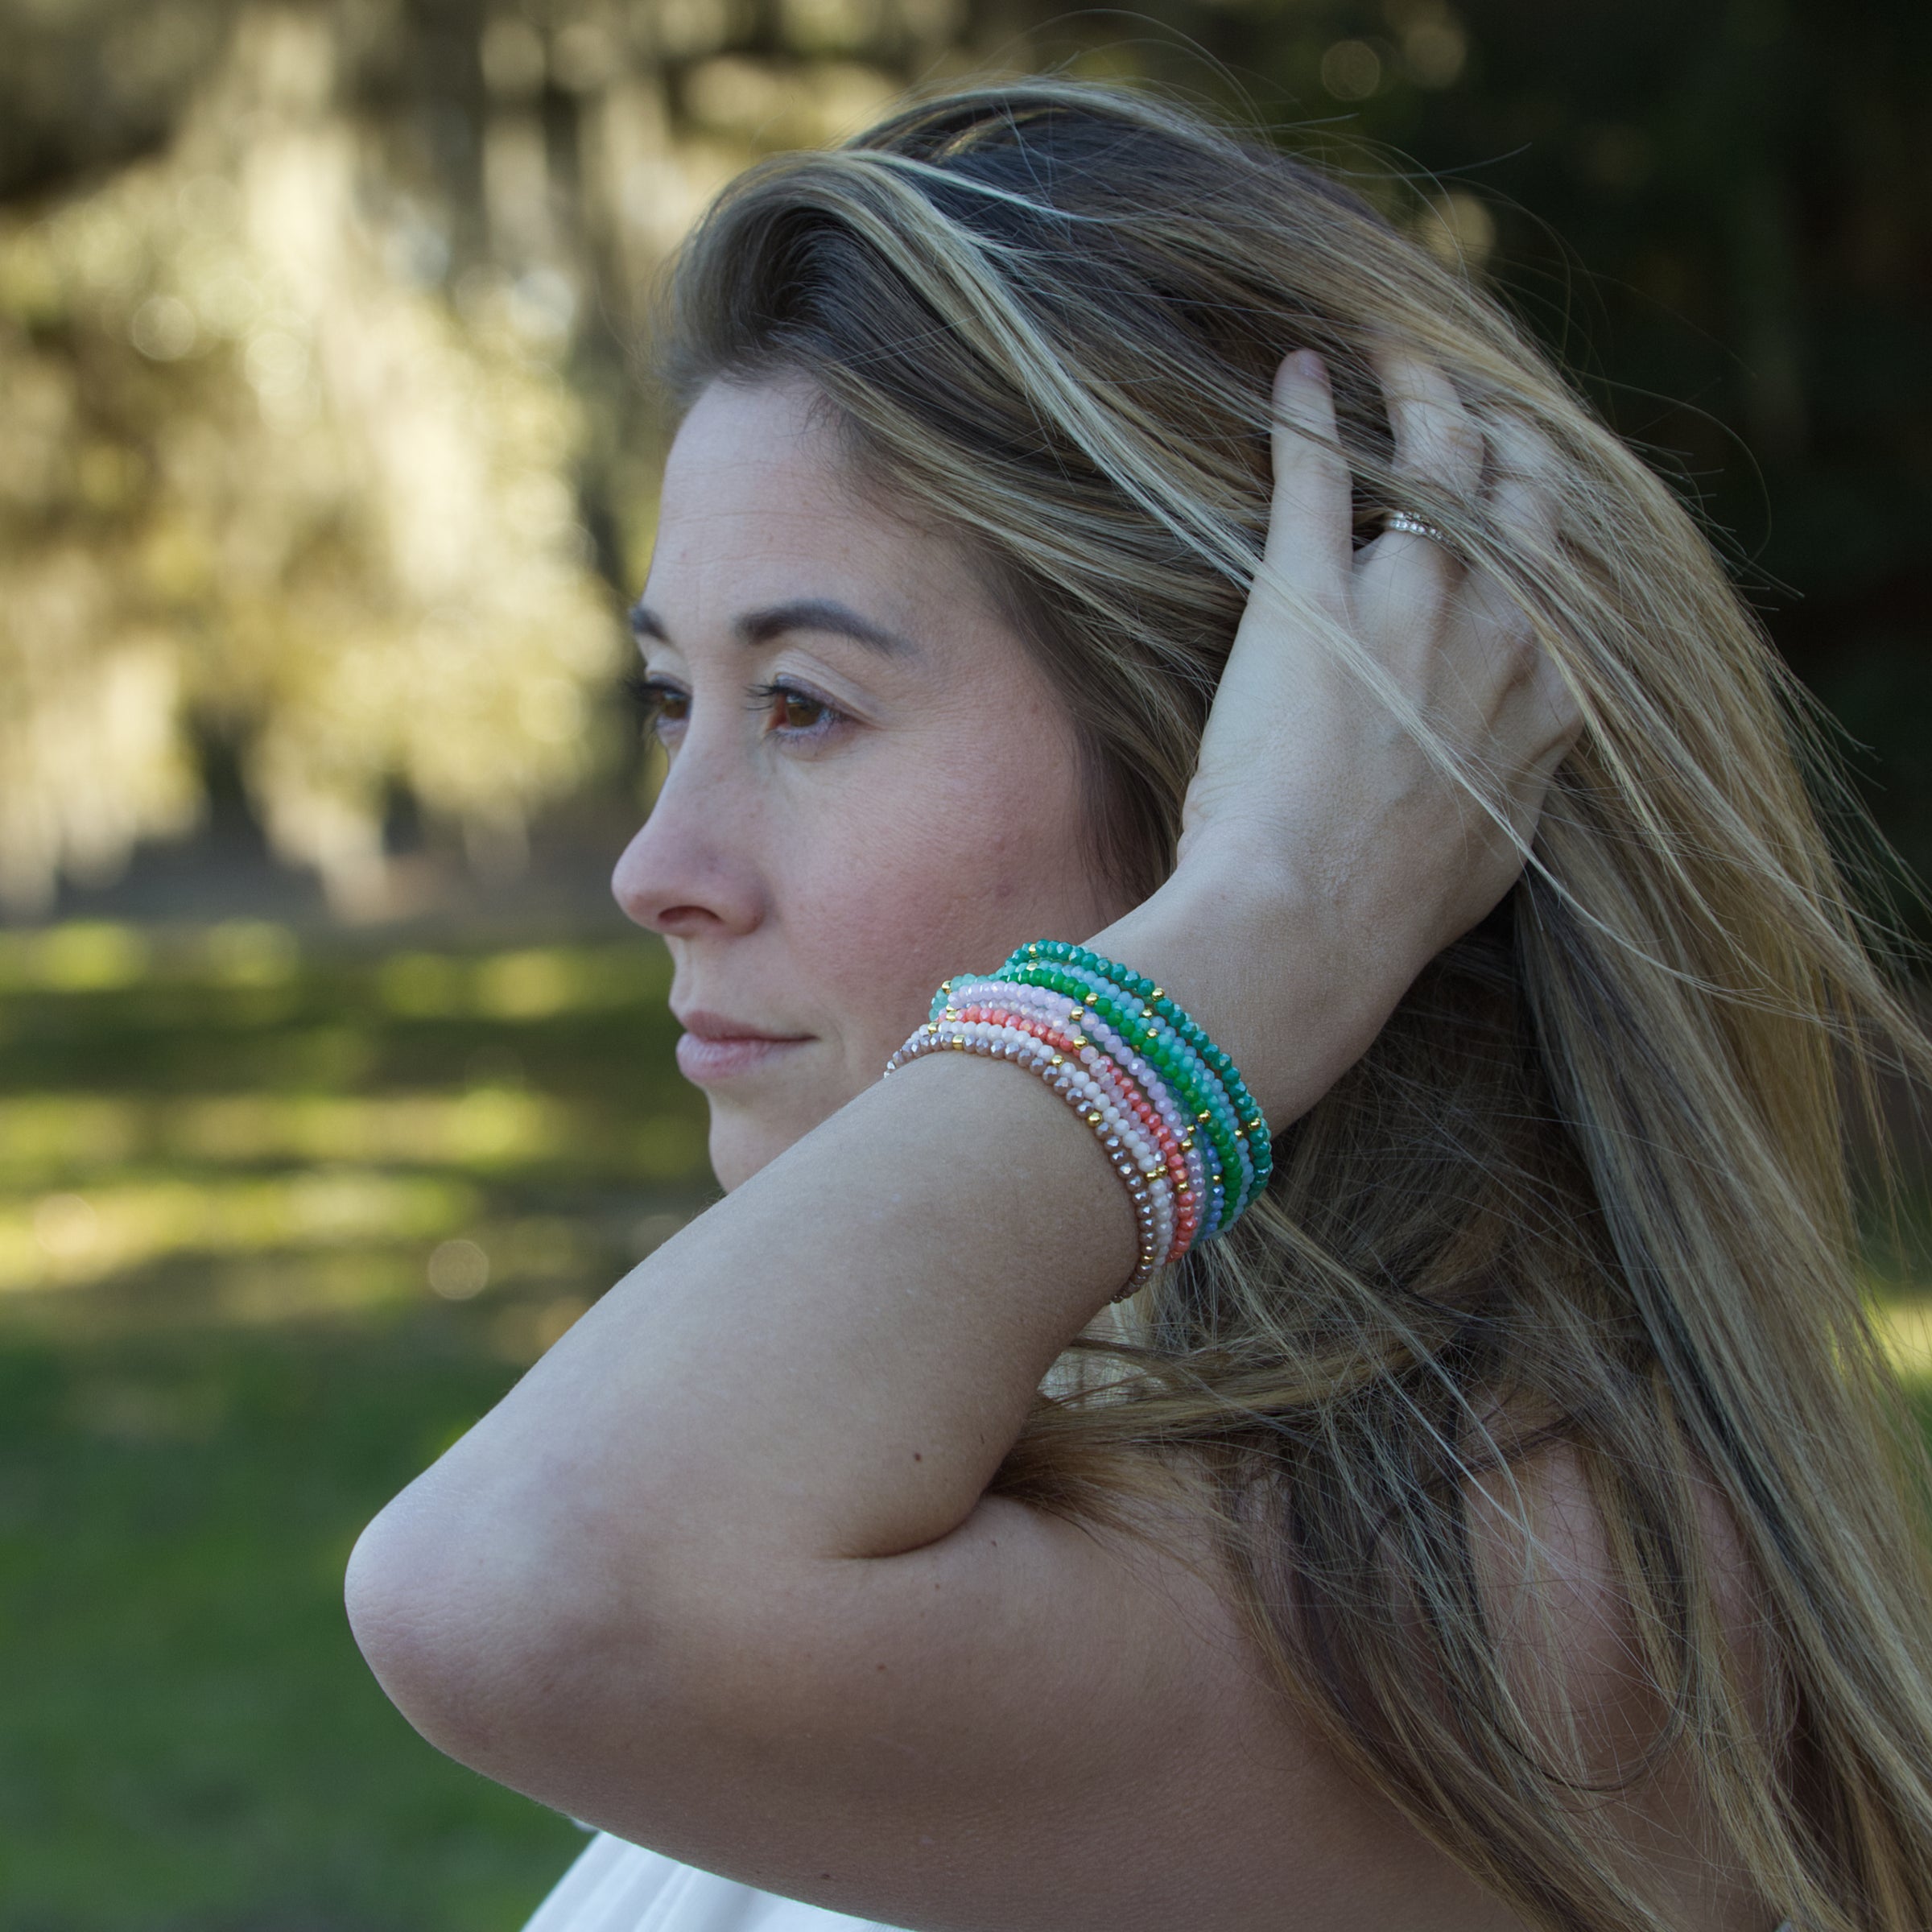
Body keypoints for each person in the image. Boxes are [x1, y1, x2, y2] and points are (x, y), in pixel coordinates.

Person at [344, 81, 1932, 1932]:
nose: (657, 865)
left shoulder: (1522, 1587)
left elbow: (526, 1585)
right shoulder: (970, 1474)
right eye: (669, 701)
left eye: (803, 706)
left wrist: (1276, 916)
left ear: (1246, 754)